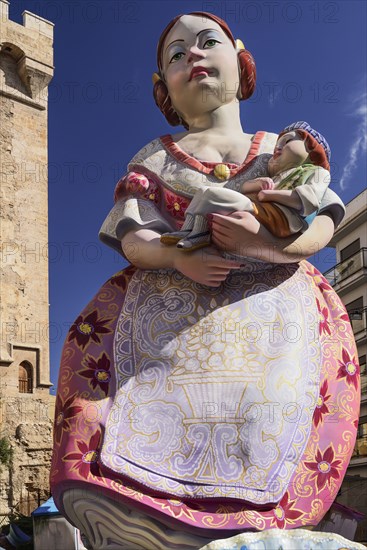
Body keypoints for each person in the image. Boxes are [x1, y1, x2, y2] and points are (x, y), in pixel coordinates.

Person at [51, 12, 360, 549]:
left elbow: (325, 223)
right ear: (161, 88)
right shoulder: (153, 158)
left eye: (206, 42)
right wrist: (176, 259)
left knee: (268, 410)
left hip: (273, 317)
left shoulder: (281, 150)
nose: (192, 55)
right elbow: (133, 236)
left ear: (241, 62)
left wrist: (264, 245)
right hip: (169, 317)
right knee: (145, 408)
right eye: (175, 54)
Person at [159, 121, 332, 250]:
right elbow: (244, 189)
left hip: (281, 216)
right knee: (205, 191)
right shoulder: (279, 174)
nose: (278, 148)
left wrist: (268, 195)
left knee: (215, 196)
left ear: (311, 149)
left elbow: (307, 200)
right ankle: (189, 228)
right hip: (261, 208)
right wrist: (256, 184)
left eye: (286, 142)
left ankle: (200, 233)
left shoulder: (317, 173)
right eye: (276, 145)